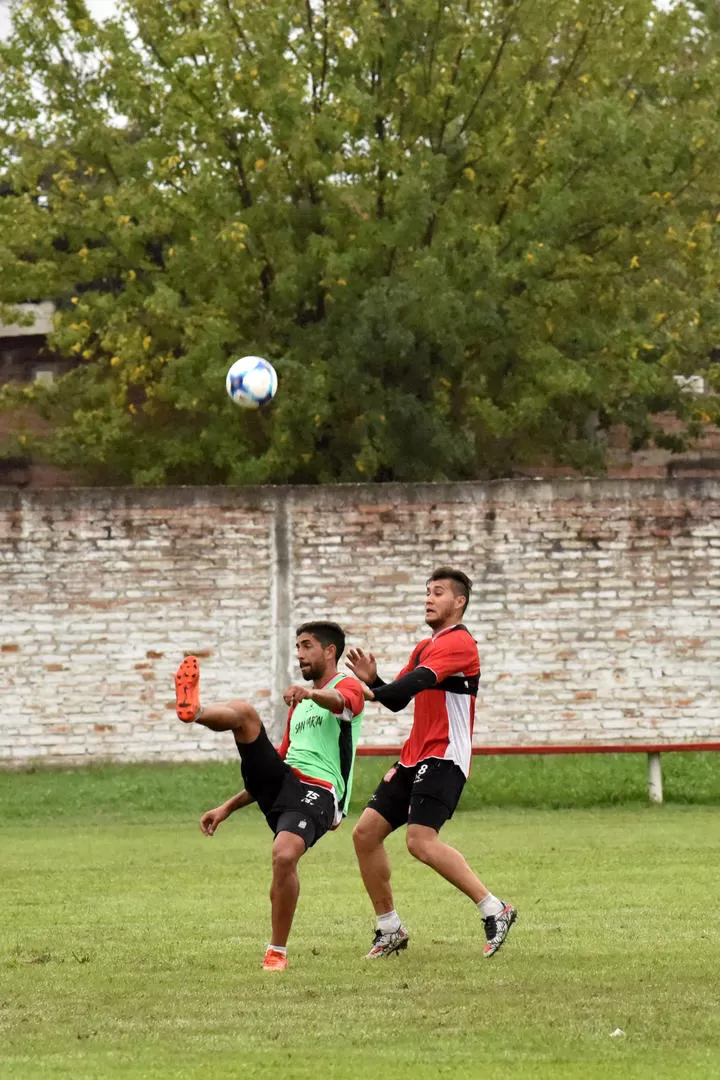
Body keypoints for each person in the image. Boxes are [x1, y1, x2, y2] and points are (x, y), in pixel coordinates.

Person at [174, 621, 365, 971]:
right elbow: (281, 760)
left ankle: (276, 951)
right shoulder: (299, 708)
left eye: (307, 646)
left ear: (329, 651)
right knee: (245, 714)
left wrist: (310, 694)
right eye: (298, 647)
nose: (300, 654)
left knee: (283, 855)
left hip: (320, 792)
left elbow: (343, 702)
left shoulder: (345, 685)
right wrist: (227, 807)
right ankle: (195, 711)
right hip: (285, 780)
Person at [347, 567, 517, 960]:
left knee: (420, 842)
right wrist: (376, 682)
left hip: (445, 756)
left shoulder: (461, 644)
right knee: (365, 835)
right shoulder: (426, 647)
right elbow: (396, 699)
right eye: (427, 592)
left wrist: (370, 692)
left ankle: (495, 909)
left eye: (438, 592)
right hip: (414, 756)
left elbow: (409, 686)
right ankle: (390, 928)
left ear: (459, 602)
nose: (428, 598)